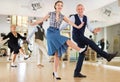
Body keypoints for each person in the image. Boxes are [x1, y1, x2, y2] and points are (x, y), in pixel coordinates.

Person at [29, 0, 86, 80]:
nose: (60, 6)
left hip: (57, 32)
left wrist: (78, 26)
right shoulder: (50, 13)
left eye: (61, 5)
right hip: (50, 32)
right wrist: (33, 24)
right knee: (66, 40)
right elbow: (42, 20)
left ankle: (55, 73)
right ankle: (79, 50)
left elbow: (70, 22)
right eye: (58, 5)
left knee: (57, 55)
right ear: (55, 6)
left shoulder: (63, 16)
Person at [61, 4, 118, 78]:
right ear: (76, 10)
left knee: (82, 53)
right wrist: (56, 30)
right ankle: (107, 56)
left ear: (83, 9)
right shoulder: (73, 17)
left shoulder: (86, 18)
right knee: (91, 42)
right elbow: (66, 24)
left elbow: (90, 28)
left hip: (81, 36)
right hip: (76, 36)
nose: (80, 10)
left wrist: (94, 31)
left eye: (81, 9)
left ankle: (76, 72)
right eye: (78, 9)